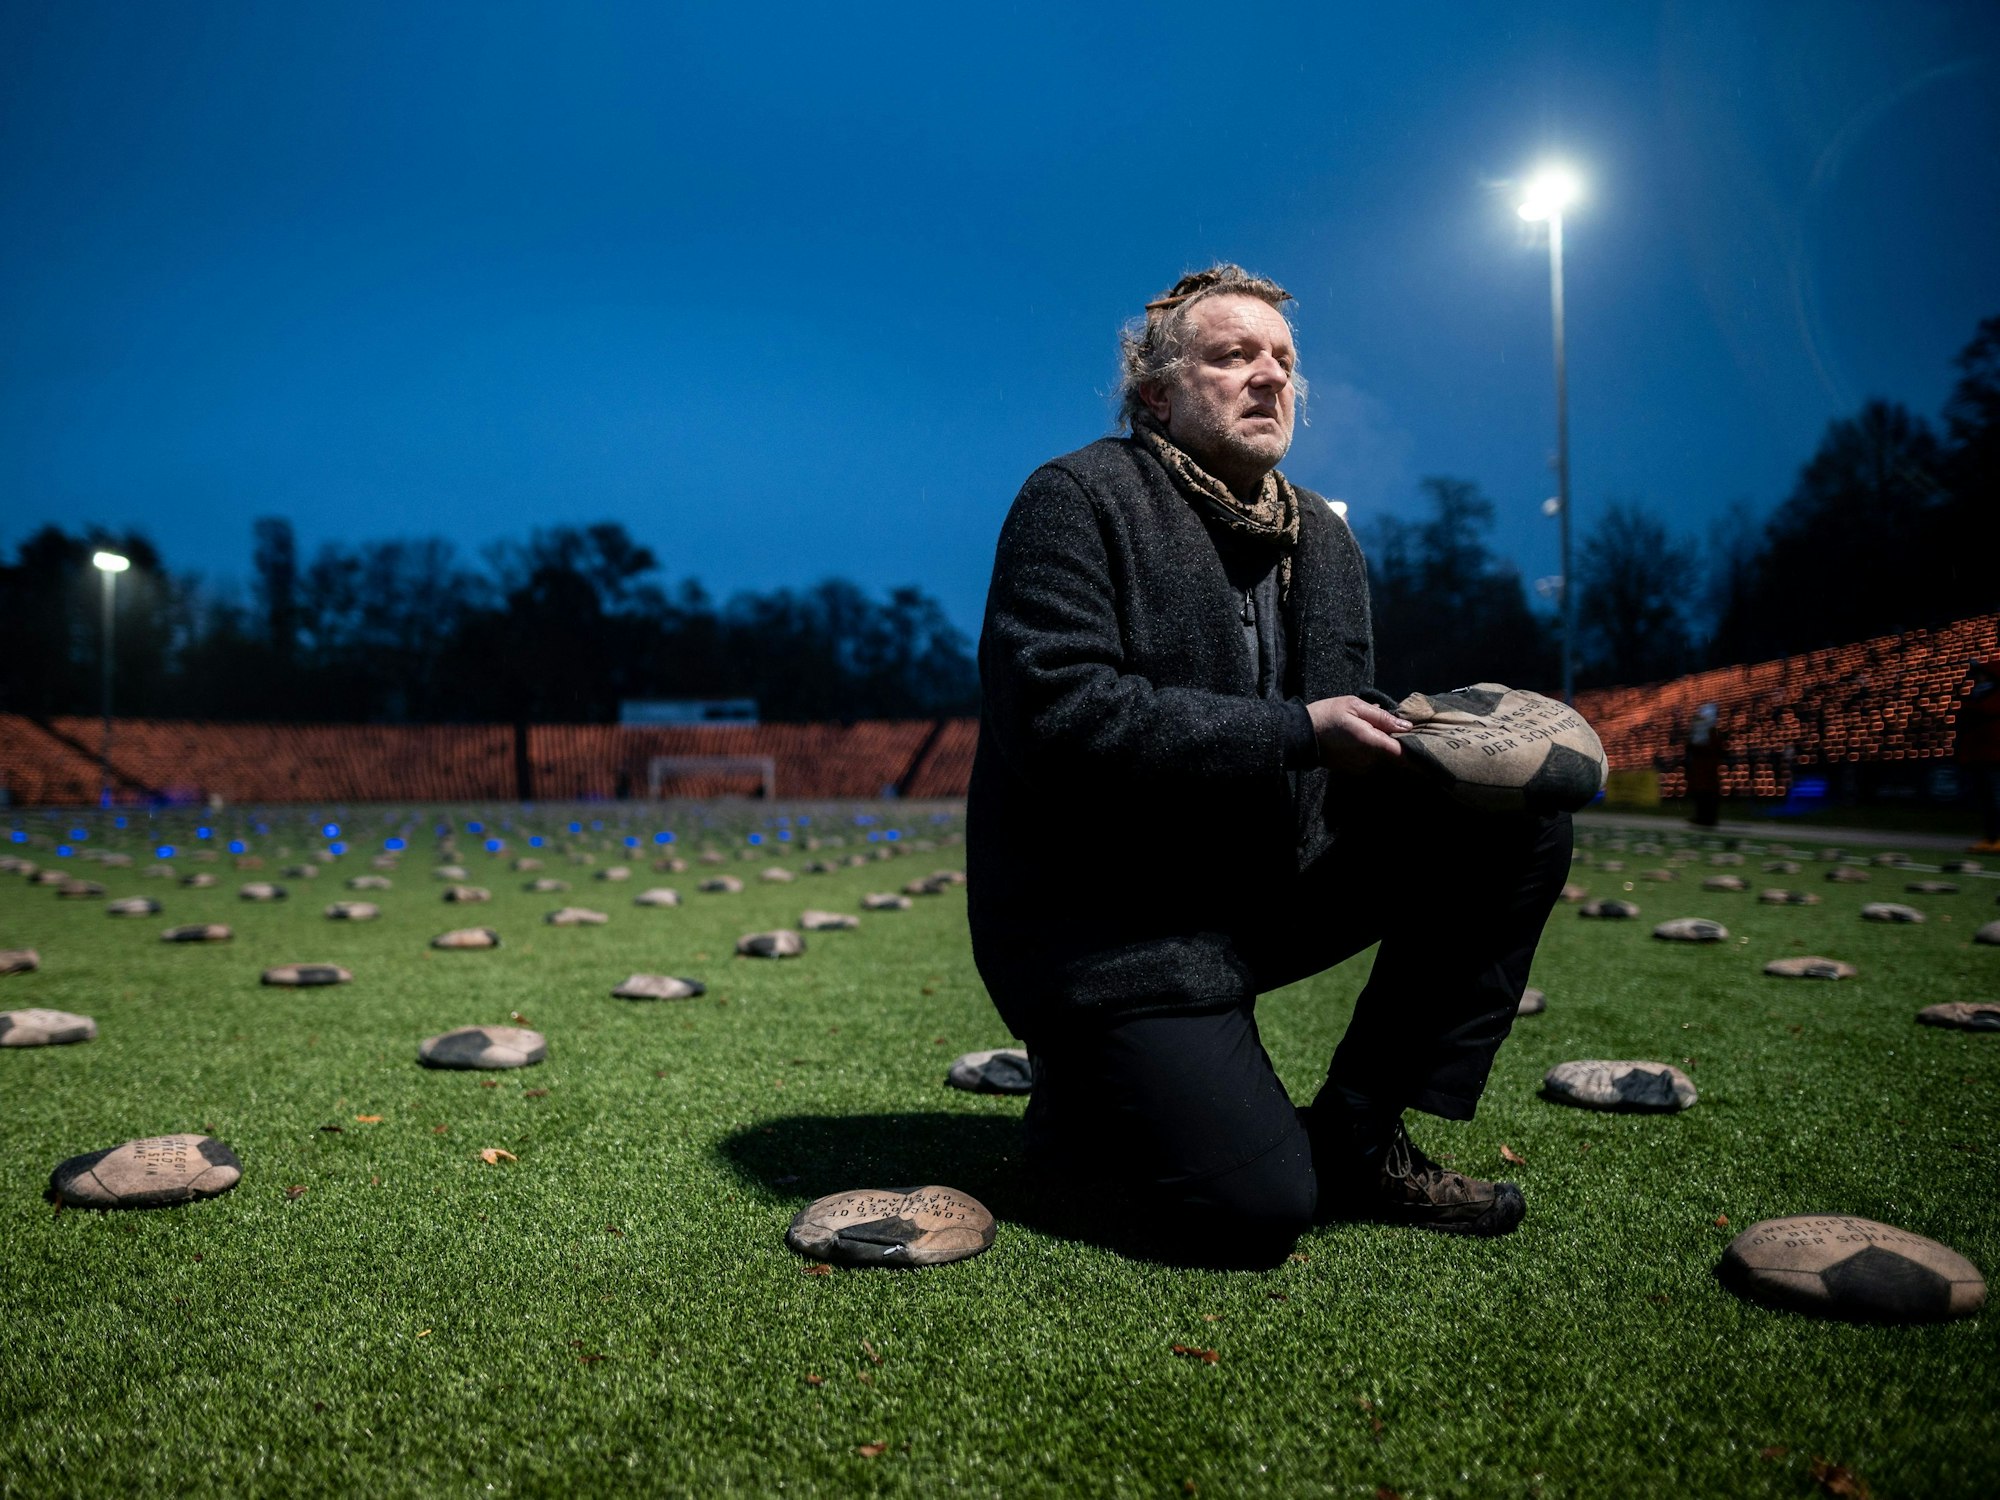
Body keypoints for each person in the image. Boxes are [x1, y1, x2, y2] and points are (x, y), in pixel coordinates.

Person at [967, 266, 1573, 1267]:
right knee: (1256, 1212)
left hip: (1252, 890)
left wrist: (1430, 748)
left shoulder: (1322, 537)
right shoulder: (1076, 499)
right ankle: (1086, 1092)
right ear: (1155, 395)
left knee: (1516, 813)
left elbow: (1333, 742)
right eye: (1231, 355)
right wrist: (1296, 729)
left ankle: (1359, 1130)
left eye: (1282, 359)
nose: (1267, 376)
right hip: (1103, 927)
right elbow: (1061, 722)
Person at [1957, 661, 2000, 853]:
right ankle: (1990, 837)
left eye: (1981, 675)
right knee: (1987, 800)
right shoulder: (1976, 696)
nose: (1977, 679)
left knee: (1997, 798)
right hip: (1980, 756)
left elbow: (1988, 711)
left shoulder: (1992, 696)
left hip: (1995, 756)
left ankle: (1997, 838)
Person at [1684, 702, 1727, 827]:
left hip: (1708, 771)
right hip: (1700, 770)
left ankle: (1709, 819)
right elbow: (1690, 747)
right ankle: (1701, 817)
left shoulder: (1713, 733)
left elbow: (1715, 749)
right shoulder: (1700, 732)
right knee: (1700, 794)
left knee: (1708, 794)